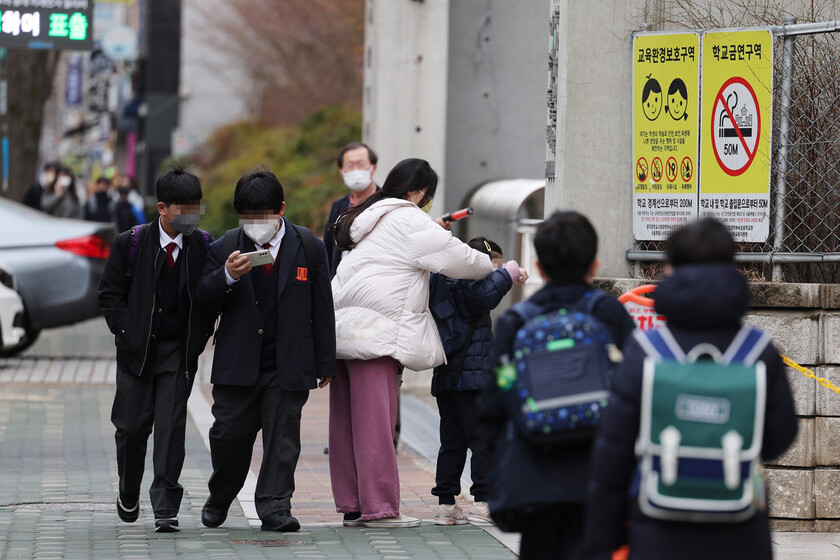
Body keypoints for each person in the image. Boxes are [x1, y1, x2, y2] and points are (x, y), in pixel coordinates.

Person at [576, 218, 798, 560]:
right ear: (731, 267)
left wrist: (602, 539)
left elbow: (613, 451)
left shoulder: (645, 350)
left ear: (670, 270)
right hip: (739, 529)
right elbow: (777, 439)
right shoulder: (758, 351)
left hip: (659, 527)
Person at [329, 158, 497, 528]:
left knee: (346, 426)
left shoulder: (365, 218)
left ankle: (354, 506)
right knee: (376, 425)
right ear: (417, 191)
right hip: (377, 336)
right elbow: (462, 260)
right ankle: (381, 510)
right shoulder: (408, 217)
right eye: (428, 195)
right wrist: (494, 266)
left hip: (342, 333)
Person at [480, 211, 635, 559]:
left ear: (540, 266)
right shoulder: (609, 313)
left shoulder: (518, 320)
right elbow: (636, 388)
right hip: (600, 473)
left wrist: (499, 463)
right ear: (593, 265)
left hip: (535, 475)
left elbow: (495, 400)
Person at [196, 168, 335, 533]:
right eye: (247, 216)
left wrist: (325, 361)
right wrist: (227, 276)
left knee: (283, 436)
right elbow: (203, 300)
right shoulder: (225, 247)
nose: (255, 223)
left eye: (264, 216)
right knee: (228, 435)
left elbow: (323, 308)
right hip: (237, 362)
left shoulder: (308, 246)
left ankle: (275, 506)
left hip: (288, 362)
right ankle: (221, 493)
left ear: (282, 210)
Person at [98, 166, 215, 533]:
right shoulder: (129, 243)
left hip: (178, 355)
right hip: (136, 355)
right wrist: (126, 331)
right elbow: (109, 295)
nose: (192, 214)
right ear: (163, 208)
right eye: (184, 207)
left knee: (170, 429)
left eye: (196, 206)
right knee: (131, 429)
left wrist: (198, 339)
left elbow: (210, 296)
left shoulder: (202, 244)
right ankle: (128, 490)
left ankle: (166, 506)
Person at [430, 237, 527, 526]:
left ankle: (446, 504)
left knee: (451, 442)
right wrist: (509, 271)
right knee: (481, 440)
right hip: (471, 379)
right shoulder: (465, 283)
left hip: (447, 375)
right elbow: (484, 296)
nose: (492, 269)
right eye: (491, 262)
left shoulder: (443, 279)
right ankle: (483, 500)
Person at [323, 142, 379, 279]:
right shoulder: (338, 206)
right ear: (341, 172)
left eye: (361, 164)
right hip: (340, 285)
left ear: (373, 167)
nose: (355, 170)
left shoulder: (387, 202)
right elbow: (328, 249)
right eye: (350, 165)